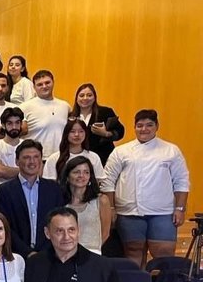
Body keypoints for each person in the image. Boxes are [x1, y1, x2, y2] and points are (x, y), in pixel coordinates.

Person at [101, 109, 190, 264]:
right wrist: (111, 209)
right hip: (129, 213)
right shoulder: (121, 151)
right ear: (134, 127)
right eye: (140, 125)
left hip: (162, 213)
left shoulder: (171, 150)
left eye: (149, 125)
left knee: (164, 255)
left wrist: (180, 209)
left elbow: (181, 181)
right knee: (133, 252)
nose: (144, 129)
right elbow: (108, 181)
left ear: (157, 126)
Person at [0, 140, 65, 256]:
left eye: (36, 157)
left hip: (50, 255)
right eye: (26, 157)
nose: (32, 162)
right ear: (17, 161)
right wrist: (27, 252)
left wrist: (43, 253)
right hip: (16, 255)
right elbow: (5, 226)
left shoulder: (54, 189)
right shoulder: (4, 191)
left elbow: (58, 223)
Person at [61, 157, 112, 255]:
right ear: (67, 176)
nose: (81, 176)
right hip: (65, 254)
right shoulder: (59, 201)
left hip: (92, 254)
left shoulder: (101, 200)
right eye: (76, 172)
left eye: (86, 172)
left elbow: (105, 233)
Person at [19, 70, 71, 159]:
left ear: (53, 83)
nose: (44, 86)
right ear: (34, 87)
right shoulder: (24, 107)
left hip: (62, 157)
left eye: (47, 83)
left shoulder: (65, 106)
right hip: (36, 159)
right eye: (39, 84)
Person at [71, 83, 125, 164]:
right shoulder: (71, 116)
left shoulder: (106, 112)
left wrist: (106, 134)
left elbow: (121, 131)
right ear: (76, 98)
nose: (85, 98)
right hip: (77, 158)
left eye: (89, 95)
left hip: (103, 158)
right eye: (81, 95)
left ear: (94, 97)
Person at [0, 107, 26, 203]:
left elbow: (37, 172)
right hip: (1, 195)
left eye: (17, 123)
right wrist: (26, 171)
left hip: (25, 195)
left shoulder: (28, 145)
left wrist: (9, 170)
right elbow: (0, 171)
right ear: (3, 125)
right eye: (10, 123)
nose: (14, 127)